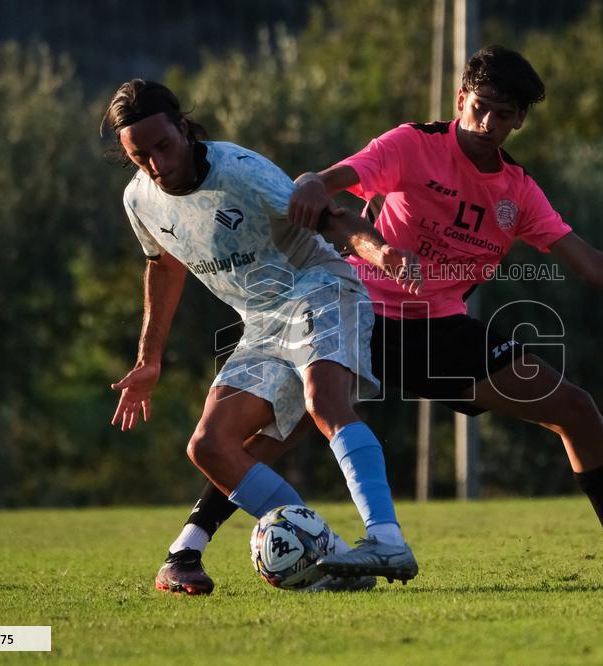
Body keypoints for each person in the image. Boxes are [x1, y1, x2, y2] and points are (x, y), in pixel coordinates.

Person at [157, 45, 603, 594]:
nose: (488, 122)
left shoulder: (517, 192)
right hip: (357, 308)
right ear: (461, 98)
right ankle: (187, 549)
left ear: (521, 119)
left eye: (505, 113)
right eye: (481, 106)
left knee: (576, 409)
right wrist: (307, 183)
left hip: (436, 330)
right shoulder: (413, 145)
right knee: (283, 428)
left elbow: (586, 261)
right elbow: (331, 180)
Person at [101, 79, 422, 593]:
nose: (156, 164)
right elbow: (163, 267)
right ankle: (332, 560)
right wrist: (149, 359)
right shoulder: (139, 200)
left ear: (183, 129)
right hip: (263, 322)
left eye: (163, 146)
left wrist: (380, 253)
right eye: (141, 156)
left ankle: (387, 539)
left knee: (324, 400)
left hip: (320, 287)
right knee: (210, 445)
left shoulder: (240, 172)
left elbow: (332, 220)